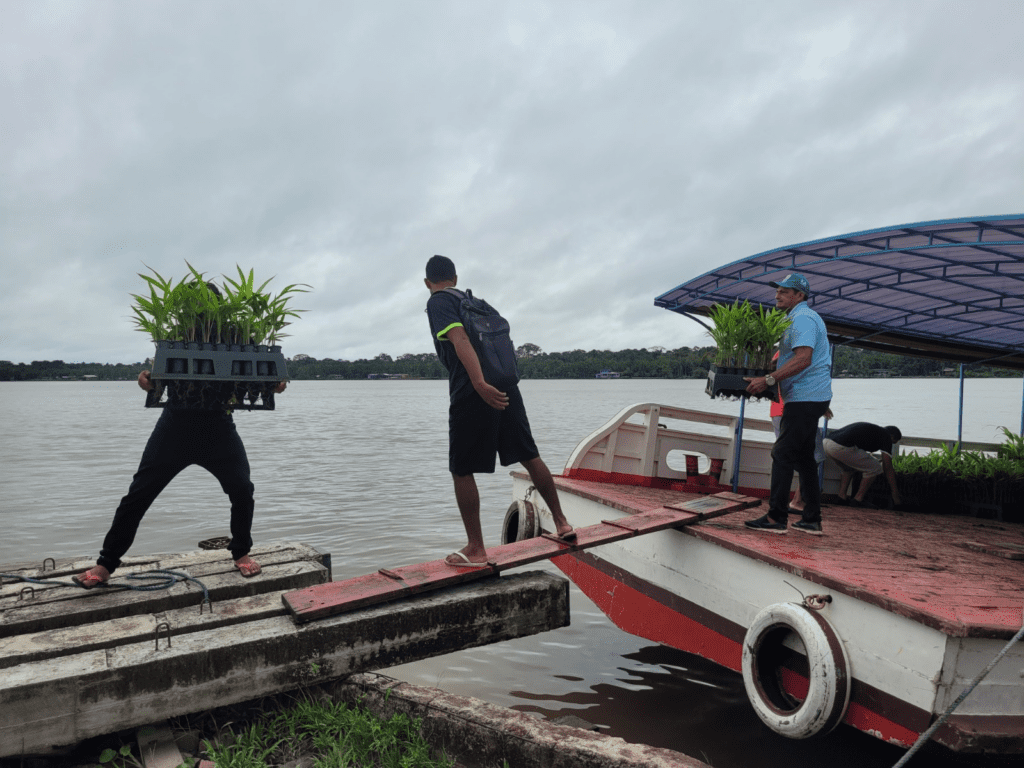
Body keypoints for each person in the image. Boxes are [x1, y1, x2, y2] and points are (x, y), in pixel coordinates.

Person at [74, 287, 287, 588]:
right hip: (174, 426)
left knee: (242, 489)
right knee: (138, 495)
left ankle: (240, 553)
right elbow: (157, 377)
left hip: (219, 427)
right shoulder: (175, 334)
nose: (199, 307)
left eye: (206, 301)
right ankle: (106, 564)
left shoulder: (234, 335)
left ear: (218, 304)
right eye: (192, 303)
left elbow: (254, 378)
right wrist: (145, 380)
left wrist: (272, 386)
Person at [424, 255, 574, 567]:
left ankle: (476, 548)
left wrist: (478, 382)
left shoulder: (439, 302)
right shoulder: (477, 302)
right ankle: (562, 523)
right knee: (529, 454)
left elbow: (459, 337)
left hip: (472, 390)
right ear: (454, 276)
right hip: (506, 385)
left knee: (461, 468)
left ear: (428, 283)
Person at [744, 273, 832, 534]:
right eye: (778, 291)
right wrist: (763, 371)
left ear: (799, 296)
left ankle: (776, 518)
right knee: (804, 457)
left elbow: (804, 359)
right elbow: (789, 358)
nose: (777, 295)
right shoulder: (796, 318)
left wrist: (768, 380)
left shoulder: (803, 318)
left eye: (784, 291)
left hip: (806, 396)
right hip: (808, 396)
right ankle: (812, 518)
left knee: (782, 453)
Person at [823, 422, 903, 508]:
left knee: (848, 468)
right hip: (840, 447)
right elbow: (887, 467)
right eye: (893, 442)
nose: (890, 445)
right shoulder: (886, 436)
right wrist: (895, 492)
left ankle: (841, 497)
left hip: (826, 443)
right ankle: (858, 500)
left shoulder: (874, 430)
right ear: (892, 436)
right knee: (875, 468)